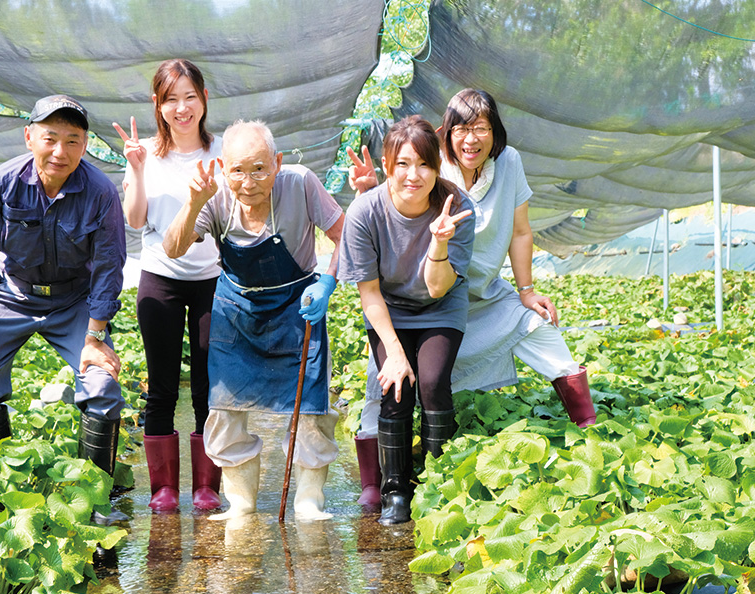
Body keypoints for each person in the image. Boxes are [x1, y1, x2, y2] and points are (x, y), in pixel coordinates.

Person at [349, 89, 597, 506]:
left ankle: (588, 426)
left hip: (466, 290)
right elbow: (384, 233)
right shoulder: (429, 165)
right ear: (446, 134)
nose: (471, 139)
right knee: (389, 382)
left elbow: (519, 232)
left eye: (481, 128)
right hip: (412, 295)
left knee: (534, 330)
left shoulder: (501, 168)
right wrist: (373, 190)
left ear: (494, 132)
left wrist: (527, 290)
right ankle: (380, 485)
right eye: (462, 128)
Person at [163, 120, 344, 522]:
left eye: (259, 169)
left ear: (277, 164)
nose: (248, 182)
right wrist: (194, 203)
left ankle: (309, 500)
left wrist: (328, 282)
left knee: (312, 407)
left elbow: (345, 233)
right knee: (225, 407)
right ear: (224, 168)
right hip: (235, 312)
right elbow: (173, 249)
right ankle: (241, 501)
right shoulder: (213, 195)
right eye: (238, 171)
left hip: (297, 306)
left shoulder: (300, 184)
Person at [0, 95, 127, 497]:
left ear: (85, 145)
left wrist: (95, 335)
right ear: (29, 137)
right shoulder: (2, 184)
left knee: (102, 386)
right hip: (13, 295)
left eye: (72, 140)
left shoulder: (101, 192)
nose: (60, 152)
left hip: (75, 303)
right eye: (50, 138)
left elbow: (108, 266)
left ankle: (93, 499)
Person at [338, 115, 474, 525]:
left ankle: (437, 485)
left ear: (437, 167)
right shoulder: (364, 212)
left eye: (424, 165)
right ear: (386, 164)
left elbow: (437, 289)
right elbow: (370, 293)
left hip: (441, 306)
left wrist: (439, 241)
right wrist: (394, 353)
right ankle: (395, 490)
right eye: (403, 164)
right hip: (389, 309)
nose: (413, 175)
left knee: (431, 382)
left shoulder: (457, 208)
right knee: (395, 389)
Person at [113, 59, 223, 512]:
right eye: (171, 99)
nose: (182, 108)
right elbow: (135, 220)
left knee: (207, 385)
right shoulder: (148, 157)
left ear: (203, 100)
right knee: (160, 385)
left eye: (189, 97)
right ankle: (163, 489)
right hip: (159, 277)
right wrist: (136, 168)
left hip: (213, 280)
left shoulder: (221, 150)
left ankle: (205, 487)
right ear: (158, 106)